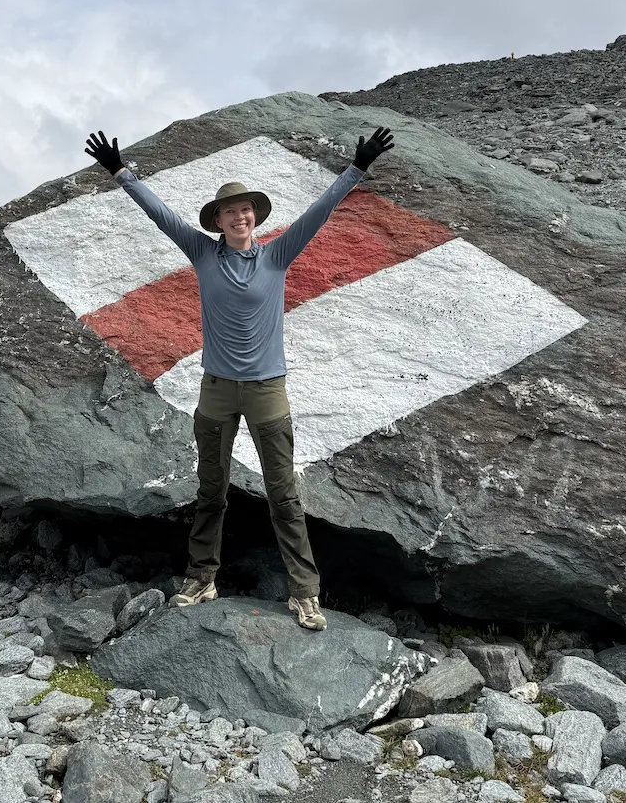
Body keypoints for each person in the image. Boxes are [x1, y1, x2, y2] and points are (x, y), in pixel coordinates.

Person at [83, 126, 396, 631]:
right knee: (211, 489)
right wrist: (122, 173)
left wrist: (357, 168)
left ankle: (304, 592)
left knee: (283, 494)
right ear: (219, 221)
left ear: (255, 216)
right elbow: (160, 215)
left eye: (245, 209)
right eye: (230, 211)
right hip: (217, 389)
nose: (239, 216)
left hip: (268, 389)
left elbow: (319, 212)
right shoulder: (203, 252)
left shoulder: (276, 254)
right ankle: (202, 577)